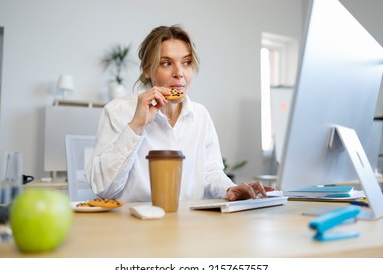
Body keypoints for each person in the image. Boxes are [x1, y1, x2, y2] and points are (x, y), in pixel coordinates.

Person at [85, 25, 274, 203]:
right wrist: (136, 126)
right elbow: (104, 189)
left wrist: (229, 189)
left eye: (187, 62)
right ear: (146, 70)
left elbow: (210, 171)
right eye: (166, 63)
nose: (179, 73)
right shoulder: (117, 112)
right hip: (135, 225)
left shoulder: (201, 115)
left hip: (188, 224)